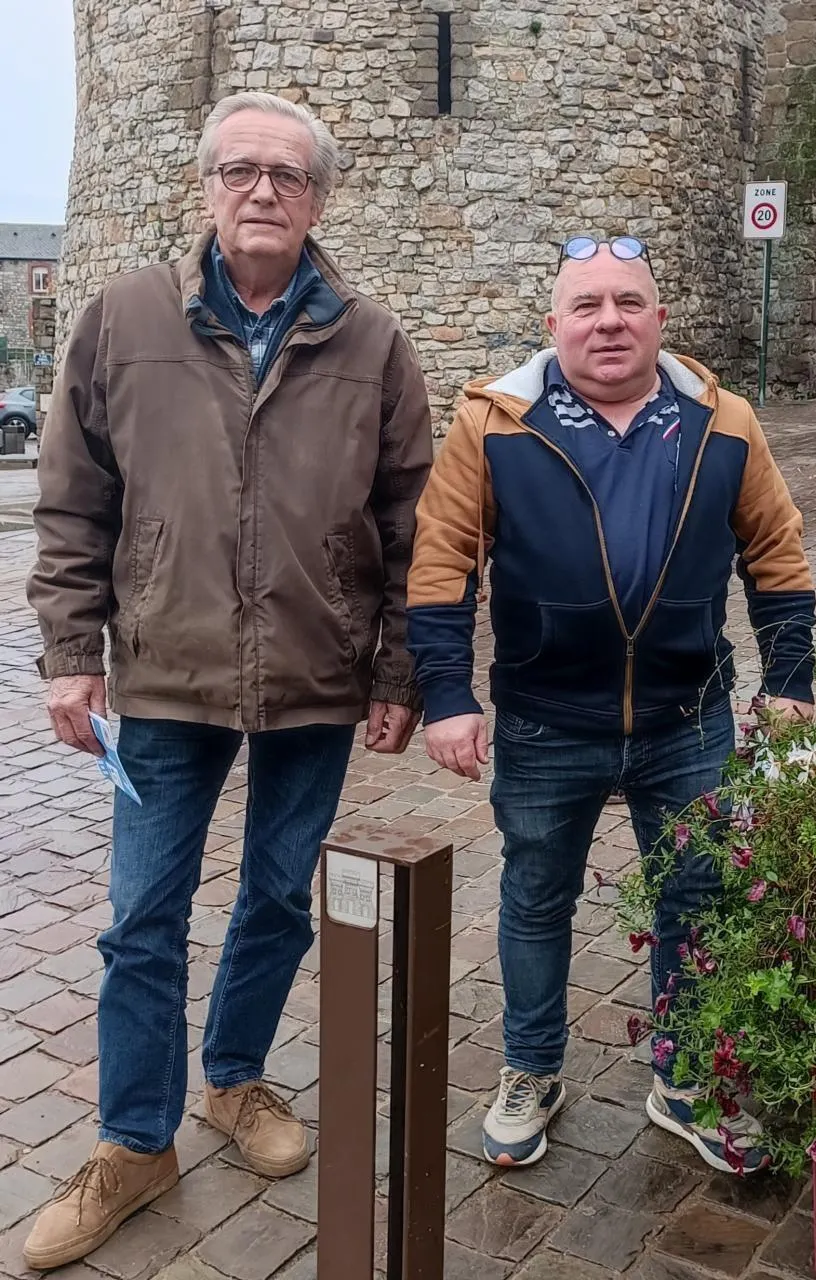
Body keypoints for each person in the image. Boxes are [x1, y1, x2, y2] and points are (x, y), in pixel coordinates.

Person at [24, 91, 432, 1268]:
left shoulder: (371, 341)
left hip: (315, 675)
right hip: (164, 675)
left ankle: (235, 1078)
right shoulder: (122, 318)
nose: (263, 191)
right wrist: (71, 654)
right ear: (206, 186)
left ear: (318, 200)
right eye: (241, 169)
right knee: (142, 918)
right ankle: (132, 1141)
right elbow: (73, 502)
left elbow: (412, 525)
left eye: (287, 175)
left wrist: (398, 668)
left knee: (274, 898)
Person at [406, 235, 815, 1174]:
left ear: (659, 320)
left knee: (698, 895)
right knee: (536, 896)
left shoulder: (723, 421)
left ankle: (688, 1078)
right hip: (547, 718)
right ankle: (531, 1068)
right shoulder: (496, 423)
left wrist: (790, 681)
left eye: (629, 303)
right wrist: (446, 694)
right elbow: (441, 562)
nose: (609, 322)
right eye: (587, 305)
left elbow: (777, 555)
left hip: (690, 717)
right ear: (553, 323)